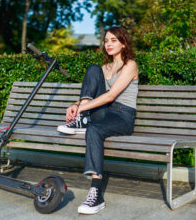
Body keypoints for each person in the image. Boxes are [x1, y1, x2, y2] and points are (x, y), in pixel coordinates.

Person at [57, 26, 139, 214]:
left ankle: (96, 193)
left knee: (94, 130)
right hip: (104, 113)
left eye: (113, 40)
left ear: (123, 43)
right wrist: (75, 104)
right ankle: (83, 120)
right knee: (93, 68)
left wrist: (81, 108)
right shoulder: (104, 68)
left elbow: (110, 96)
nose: (108, 44)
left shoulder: (130, 65)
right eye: (106, 40)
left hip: (122, 116)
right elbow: (94, 95)